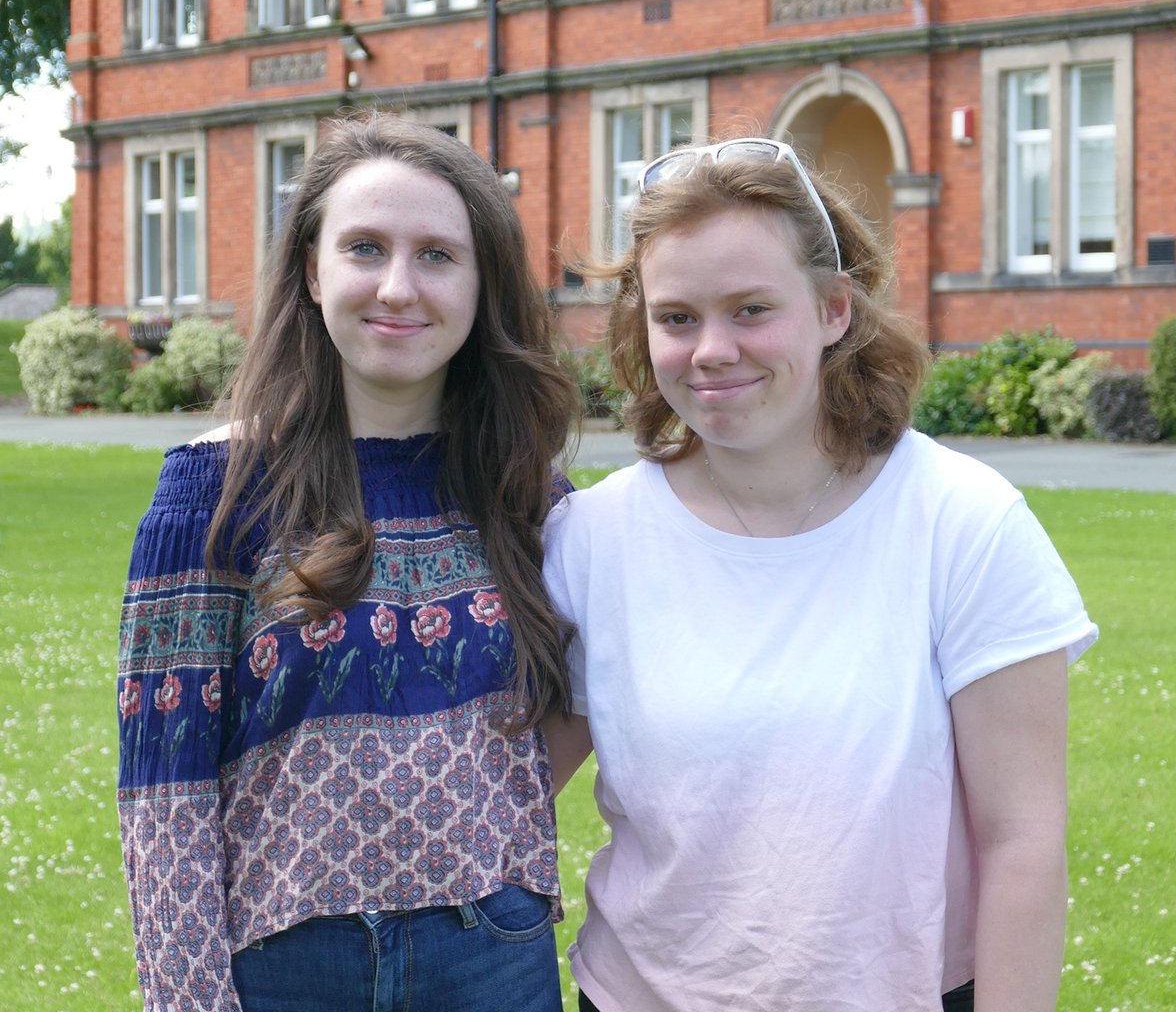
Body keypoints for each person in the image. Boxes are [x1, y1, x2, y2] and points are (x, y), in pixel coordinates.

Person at [542, 137, 1098, 1012]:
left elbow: (1022, 839)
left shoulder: (961, 521)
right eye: (677, 317)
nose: (712, 349)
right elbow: (498, 793)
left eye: (752, 309)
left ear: (835, 308)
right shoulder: (592, 538)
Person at [117, 113, 577, 1012]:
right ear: (310, 271)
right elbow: (163, 800)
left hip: (493, 952)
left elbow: (591, 702)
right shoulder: (210, 494)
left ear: (482, 284)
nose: (398, 288)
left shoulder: (530, 495)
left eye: (438, 255)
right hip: (286, 964)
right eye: (365, 248)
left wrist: (468, 818)